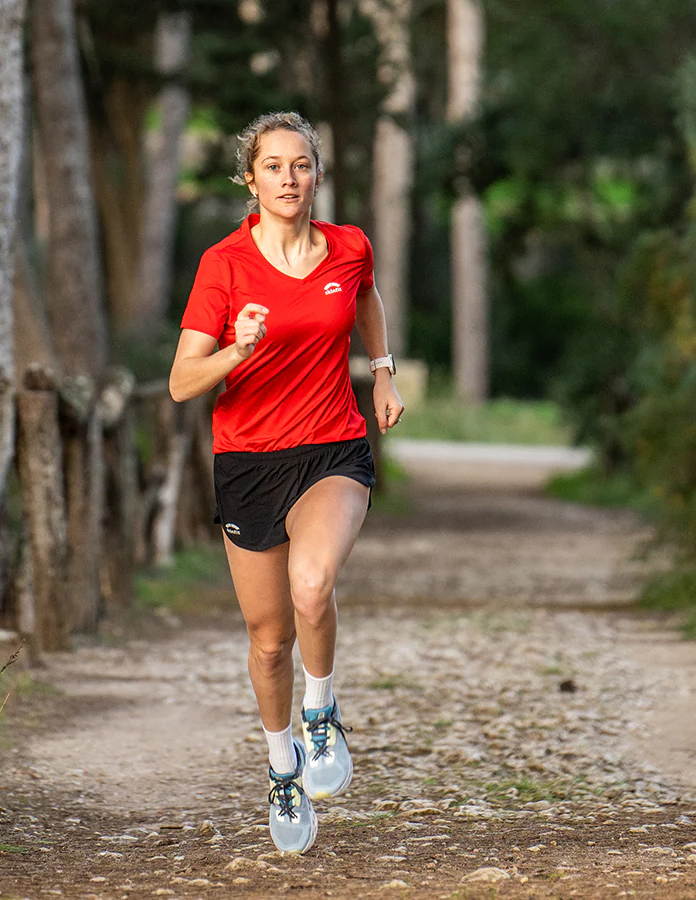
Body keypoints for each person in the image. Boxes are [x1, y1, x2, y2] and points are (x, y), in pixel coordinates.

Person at [168, 111, 405, 853]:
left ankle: (322, 714)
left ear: (317, 175)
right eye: (273, 166)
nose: (288, 178)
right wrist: (236, 351)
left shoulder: (349, 246)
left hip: (333, 448)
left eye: (300, 165)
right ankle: (281, 766)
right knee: (269, 641)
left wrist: (382, 370)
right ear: (252, 179)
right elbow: (181, 382)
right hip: (249, 462)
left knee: (313, 583)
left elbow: (363, 296)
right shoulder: (224, 266)